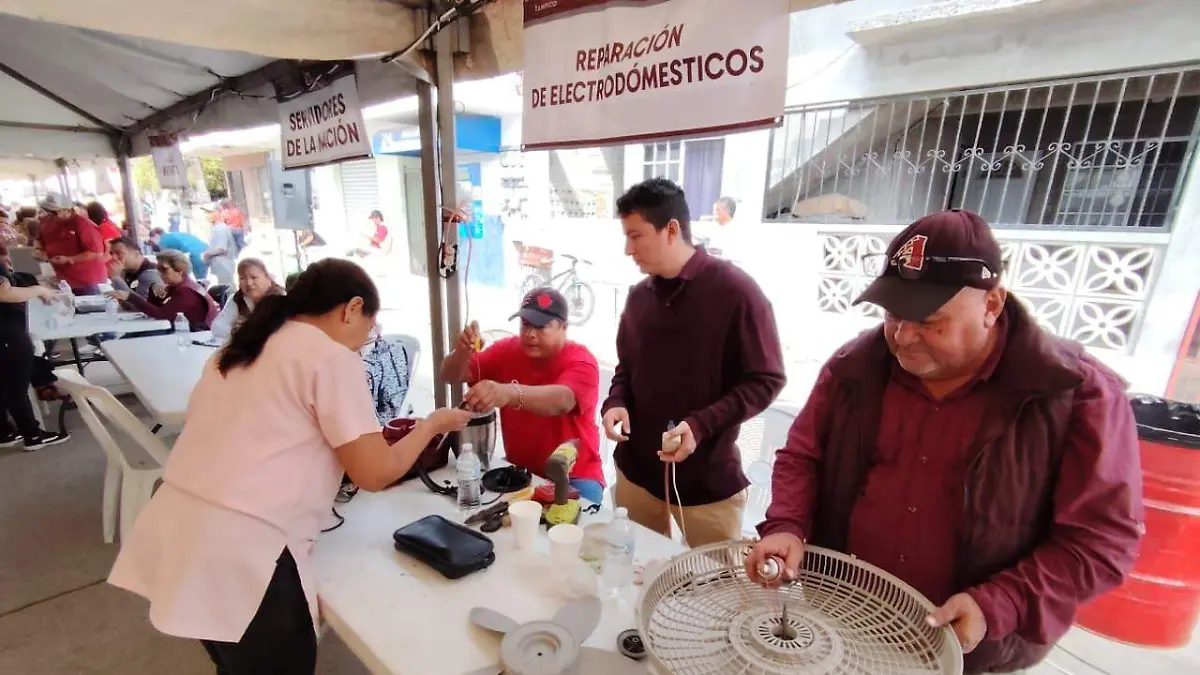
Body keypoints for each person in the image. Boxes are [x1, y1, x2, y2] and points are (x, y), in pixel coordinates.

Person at [745, 210, 1144, 674]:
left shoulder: (1075, 393)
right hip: (843, 619)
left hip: (971, 651)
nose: (902, 336)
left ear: (991, 305)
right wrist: (787, 525)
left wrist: (1001, 603)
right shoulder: (854, 367)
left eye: (929, 320)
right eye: (893, 313)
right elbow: (803, 456)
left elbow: (1100, 543)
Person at [107, 258, 473, 675]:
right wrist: (432, 425)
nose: (364, 342)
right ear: (351, 308)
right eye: (369, 329)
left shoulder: (243, 347)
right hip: (243, 549)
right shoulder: (330, 358)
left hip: (180, 530)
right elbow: (373, 473)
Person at [601, 179, 786, 545]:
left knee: (715, 591)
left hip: (707, 485)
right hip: (635, 475)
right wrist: (616, 402)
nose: (627, 249)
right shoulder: (639, 299)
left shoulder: (736, 293)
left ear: (671, 229)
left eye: (636, 236)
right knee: (632, 578)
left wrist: (701, 425)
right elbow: (626, 369)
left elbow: (766, 378)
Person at [441, 288, 605, 504]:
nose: (530, 334)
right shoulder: (507, 350)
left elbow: (562, 400)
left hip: (575, 476)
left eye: (541, 326)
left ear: (564, 327)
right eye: (525, 324)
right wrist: (462, 352)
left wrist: (508, 393)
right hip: (521, 474)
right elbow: (449, 375)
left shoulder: (582, 361)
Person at [0, 242, 71, 451]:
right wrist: (39, 290)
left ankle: (4, 432)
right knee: (16, 387)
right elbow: (4, 293)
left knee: (4, 385)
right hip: (8, 333)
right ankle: (33, 435)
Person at [108, 249, 217, 332]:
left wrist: (130, 296)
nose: (160, 273)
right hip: (185, 332)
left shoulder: (186, 291)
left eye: (164, 269)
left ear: (179, 271)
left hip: (195, 336)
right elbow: (153, 308)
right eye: (158, 269)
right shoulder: (177, 286)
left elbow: (161, 315)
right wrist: (152, 289)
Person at [33, 193, 108, 294]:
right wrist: (39, 250)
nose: (50, 214)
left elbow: (95, 252)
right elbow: (39, 239)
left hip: (86, 280)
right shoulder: (46, 221)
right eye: (48, 211)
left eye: (54, 212)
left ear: (66, 210)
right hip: (61, 278)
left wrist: (69, 259)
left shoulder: (83, 224)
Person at [211, 258, 284, 341]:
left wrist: (243, 329)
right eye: (242, 278)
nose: (249, 283)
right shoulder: (238, 299)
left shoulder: (280, 300)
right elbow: (217, 326)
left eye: (254, 277)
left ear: (268, 279)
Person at [107, 236, 164, 303]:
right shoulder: (129, 272)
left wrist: (116, 278)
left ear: (136, 254)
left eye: (118, 253)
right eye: (111, 254)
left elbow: (141, 307)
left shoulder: (150, 274)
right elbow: (126, 305)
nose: (113, 258)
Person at [205, 218, 237, 287]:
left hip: (223, 264)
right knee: (226, 286)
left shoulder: (220, 229)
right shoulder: (219, 228)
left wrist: (207, 254)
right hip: (223, 264)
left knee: (227, 288)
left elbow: (222, 249)